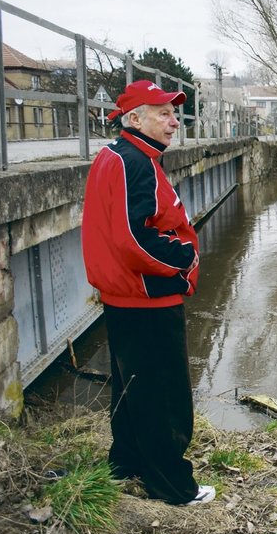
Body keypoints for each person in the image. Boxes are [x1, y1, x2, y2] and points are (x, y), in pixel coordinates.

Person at [81, 80, 214, 506]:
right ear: (134, 118)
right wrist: (186, 258)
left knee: (132, 388)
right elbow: (133, 240)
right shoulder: (132, 162)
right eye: (163, 113)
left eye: (174, 113)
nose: (174, 121)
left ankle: (126, 464)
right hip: (147, 298)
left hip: (128, 298)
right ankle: (173, 487)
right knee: (165, 397)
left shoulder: (125, 156)